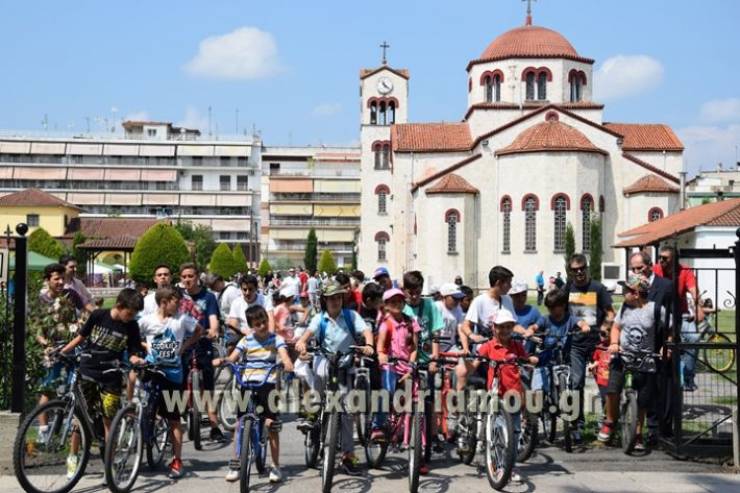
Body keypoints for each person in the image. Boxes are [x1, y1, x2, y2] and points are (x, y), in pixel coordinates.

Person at [60, 289, 145, 478]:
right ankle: (73, 457)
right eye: (129, 313)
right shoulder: (98, 315)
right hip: (88, 370)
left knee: (109, 421)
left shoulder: (132, 327)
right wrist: (62, 352)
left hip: (111, 375)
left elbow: (133, 350)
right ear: (119, 306)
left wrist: (135, 360)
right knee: (79, 418)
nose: (131, 318)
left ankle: (109, 464)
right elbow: (81, 337)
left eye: (134, 315)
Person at [295, 281, 374, 476]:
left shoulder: (350, 316)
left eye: (338, 297)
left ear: (342, 299)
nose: (335, 301)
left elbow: (365, 331)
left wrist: (369, 345)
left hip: (344, 364)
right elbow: (307, 334)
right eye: (331, 298)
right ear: (325, 300)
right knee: (320, 372)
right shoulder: (319, 318)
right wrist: (302, 343)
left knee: (346, 411)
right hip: (324, 358)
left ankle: (348, 456)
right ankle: (314, 409)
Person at [215, 305, 294, 483]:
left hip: (268, 383)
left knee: (271, 423)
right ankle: (235, 464)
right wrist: (223, 361)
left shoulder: (276, 339)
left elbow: (283, 354)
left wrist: (287, 362)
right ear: (251, 326)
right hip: (247, 382)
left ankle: (275, 466)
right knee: (239, 423)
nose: (262, 326)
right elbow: (233, 357)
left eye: (264, 322)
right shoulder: (246, 341)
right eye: (257, 324)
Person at [139, 287, 201, 479]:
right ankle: (149, 432)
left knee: (174, 418)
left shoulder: (182, 319)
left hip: (173, 375)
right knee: (146, 408)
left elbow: (200, 331)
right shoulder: (147, 321)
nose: (180, 305)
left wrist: (184, 347)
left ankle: (177, 459)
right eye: (176, 301)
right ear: (164, 302)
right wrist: (146, 346)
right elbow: (133, 334)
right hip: (152, 371)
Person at [599, 274, 664, 450]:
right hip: (623, 357)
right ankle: (610, 421)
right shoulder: (624, 308)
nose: (623, 293)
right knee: (612, 390)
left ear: (636, 293)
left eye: (627, 290)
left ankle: (637, 435)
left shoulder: (656, 309)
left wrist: (667, 346)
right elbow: (616, 327)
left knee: (642, 402)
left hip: (645, 360)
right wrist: (614, 343)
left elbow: (671, 328)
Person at [476, 309, 537, 484]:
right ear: (494, 328)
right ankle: (498, 464)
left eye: (509, 327)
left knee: (515, 432)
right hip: (497, 394)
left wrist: (530, 360)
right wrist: (468, 363)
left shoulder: (516, 346)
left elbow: (525, 359)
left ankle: (511, 465)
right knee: (498, 431)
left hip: (514, 394)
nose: (505, 331)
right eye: (501, 327)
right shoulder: (488, 346)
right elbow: (476, 360)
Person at [372, 288, 429, 475]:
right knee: (388, 393)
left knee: (418, 406)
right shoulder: (385, 324)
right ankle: (380, 425)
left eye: (400, 301)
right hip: (390, 366)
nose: (397, 304)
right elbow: (380, 348)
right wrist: (382, 358)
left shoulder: (411, 322)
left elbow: (414, 347)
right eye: (392, 302)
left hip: (408, 367)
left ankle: (419, 455)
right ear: (387, 305)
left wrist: (412, 365)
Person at [563, 254, 615, 442]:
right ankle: (577, 423)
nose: (579, 272)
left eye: (582, 268)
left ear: (587, 267)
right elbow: (559, 310)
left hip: (597, 345)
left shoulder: (598, 288)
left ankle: (607, 423)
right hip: (576, 344)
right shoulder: (568, 288)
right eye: (575, 270)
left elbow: (610, 313)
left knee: (604, 385)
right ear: (570, 271)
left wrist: (605, 327)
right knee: (576, 383)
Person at [33, 263, 88, 436]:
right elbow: (36, 328)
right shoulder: (41, 300)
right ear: (47, 280)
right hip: (52, 350)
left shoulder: (71, 294)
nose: (60, 282)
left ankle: (75, 432)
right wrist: (45, 344)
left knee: (75, 387)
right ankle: (43, 432)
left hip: (72, 348)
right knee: (48, 388)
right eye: (56, 279)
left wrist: (84, 322)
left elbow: (86, 311)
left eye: (62, 278)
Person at [629, 250, 674, 441]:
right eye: (633, 269)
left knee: (662, 388)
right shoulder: (632, 287)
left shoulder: (666, 286)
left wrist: (669, 345)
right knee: (644, 388)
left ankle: (662, 431)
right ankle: (646, 430)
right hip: (640, 346)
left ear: (649, 265)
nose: (637, 272)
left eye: (640, 267)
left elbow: (674, 318)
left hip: (661, 343)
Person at [458, 266, 521, 392]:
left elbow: (514, 324)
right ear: (498, 283)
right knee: (464, 373)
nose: (510, 286)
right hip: (487, 348)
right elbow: (465, 325)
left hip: (506, 347)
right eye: (508, 282)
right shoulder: (479, 301)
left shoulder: (507, 300)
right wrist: (472, 335)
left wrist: (528, 332)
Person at [179, 262, 224, 440]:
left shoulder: (209, 297)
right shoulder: (179, 297)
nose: (188, 280)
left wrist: (213, 330)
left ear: (198, 277)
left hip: (203, 343)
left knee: (207, 386)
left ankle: (214, 426)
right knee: (178, 383)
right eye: (184, 277)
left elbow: (213, 319)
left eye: (191, 276)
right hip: (183, 345)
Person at [653, 245, 702, 392]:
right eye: (660, 257)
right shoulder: (656, 270)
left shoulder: (685, 271)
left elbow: (693, 290)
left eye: (665, 258)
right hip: (660, 313)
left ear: (674, 259)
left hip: (680, 313)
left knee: (693, 339)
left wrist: (698, 302)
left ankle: (688, 378)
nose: (661, 261)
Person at [530, 289, 590, 395]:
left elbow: (581, 323)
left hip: (565, 355)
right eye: (549, 308)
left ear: (563, 305)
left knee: (575, 378)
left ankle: (570, 397)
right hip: (547, 354)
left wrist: (585, 327)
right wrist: (531, 330)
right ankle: (539, 402)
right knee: (538, 380)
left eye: (553, 307)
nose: (551, 310)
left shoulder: (570, 319)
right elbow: (535, 326)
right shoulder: (545, 319)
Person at [588, 328, 611, 428]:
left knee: (609, 399)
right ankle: (601, 421)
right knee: (604, 399)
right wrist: (592, 366)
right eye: (601, 334)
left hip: (611, 378)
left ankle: (608, 418)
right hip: (601, 378)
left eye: (605, 335)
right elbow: (597, 360)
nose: (602, 337)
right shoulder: (599, 348)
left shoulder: (614, 348)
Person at [435, 283, 465, 353]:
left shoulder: (458, 309)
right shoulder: (437, 307)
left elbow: (460, 329)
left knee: (463, 361)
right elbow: (435, 332)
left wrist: (465, 348)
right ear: (444, 297)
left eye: (459, 299)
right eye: (454, 298)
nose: (457, 301)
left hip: (450, 347)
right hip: (433, 347)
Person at [509, 280, 540, 347]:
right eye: (517, 296)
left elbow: (542, 328)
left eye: (523, 295)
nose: (521, 299)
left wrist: (533, 329)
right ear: (511, 296)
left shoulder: (533, 311)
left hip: (529, 354)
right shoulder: (507, 313)